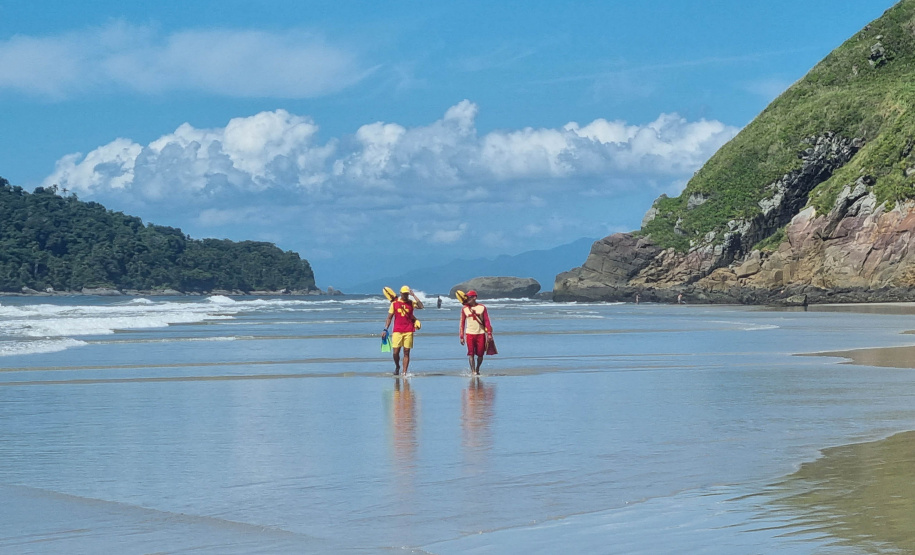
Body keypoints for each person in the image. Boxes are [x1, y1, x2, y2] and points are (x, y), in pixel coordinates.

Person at [383, 286, 424, 375]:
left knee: (406, 352)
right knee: (395, 352)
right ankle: (397, 366)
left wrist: (414, 295)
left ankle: (404, 372)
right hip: (397, 330)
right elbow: (389, 318)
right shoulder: (394, 303)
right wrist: (385, 329)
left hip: (408, 330)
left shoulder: (411, 303)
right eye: (404, 294)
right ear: (400, 293)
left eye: (407, 294)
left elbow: (421, 306)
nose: (405, 295)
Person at [459, 290, 492, 375]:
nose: (467, 299)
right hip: (469, 333)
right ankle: (473, 371)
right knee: (471, 354)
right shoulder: (464, 309)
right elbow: (462, 323)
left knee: (480, 354)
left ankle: (477, 368)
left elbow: (487, 321)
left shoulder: (482, 307)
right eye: (466, 297)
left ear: (474, 297)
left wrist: (489, 334)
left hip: (480, 333)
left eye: (469, 297)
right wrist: (461, 336)